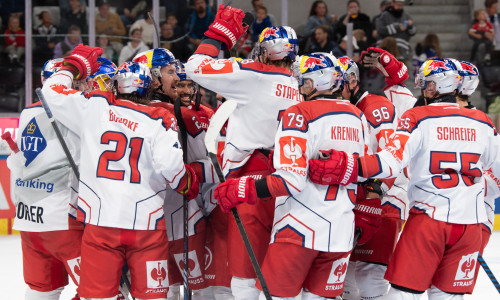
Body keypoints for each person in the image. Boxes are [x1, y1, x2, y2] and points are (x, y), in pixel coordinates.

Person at [308, 57, 500, 299]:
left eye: (426, 83)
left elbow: (390, 162)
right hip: (470, 225)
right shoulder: (484, 122)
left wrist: (349, 165)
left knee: (402, 294)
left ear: (435, 87)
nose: (422, 88)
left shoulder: (418, 117)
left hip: (430, 221)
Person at [41, 44, 199, 299]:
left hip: (101, 225)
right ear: (149, 88)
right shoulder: (160, 119)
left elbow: (50, 92)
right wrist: (187, 182)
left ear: (117, 86)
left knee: (98, 296)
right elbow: (173, 171)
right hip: (146, 228)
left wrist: (73, 65)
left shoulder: (94, 107)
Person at [214, 52, 371, 299]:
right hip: (340, 231)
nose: (299, 85)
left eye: (303, 80)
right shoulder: (357, 116)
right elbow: (364, 173)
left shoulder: (299, 112)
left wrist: (242, 187)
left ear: (313, 82)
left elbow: (290, 180)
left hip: (298, 229)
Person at [185, 6, 302, 297]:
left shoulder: (255, 75)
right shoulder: (303, 85)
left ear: (264, 52)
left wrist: (219, 36)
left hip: (250, 179)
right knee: (283, 271)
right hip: (293, 180)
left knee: (245, 274)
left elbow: (195, 66)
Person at [6, 58, 82, 300]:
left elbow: (22, 162)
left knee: (42, 288)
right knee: (97, 288)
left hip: (29, 221)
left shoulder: (27, 111)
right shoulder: (74, 112)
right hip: (63, 218)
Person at [337, 55, 410, 300]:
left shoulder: (375, 106)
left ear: (353, 81)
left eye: (339, 84)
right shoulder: (343, 109)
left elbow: (392, 157)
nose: (333, 90)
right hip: (355, 201)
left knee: (370, 278)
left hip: (385, 200)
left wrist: (374, 193)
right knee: (345, 279)